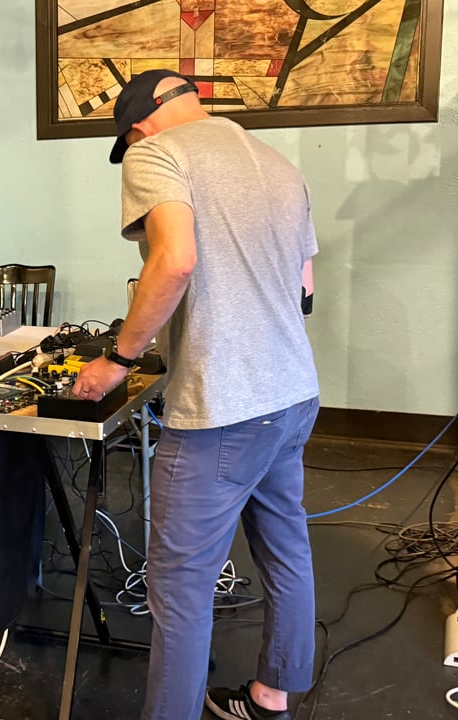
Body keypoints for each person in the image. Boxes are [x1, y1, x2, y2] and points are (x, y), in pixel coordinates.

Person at [73, 70, 319, 720]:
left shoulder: (159, 153)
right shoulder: (277, 163)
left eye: (130, 137)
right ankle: (271, 698)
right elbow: (305, 287)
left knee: (179, 588)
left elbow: (175, 260)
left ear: (141, 123)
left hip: (223, 408)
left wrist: (120, 360)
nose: (134, 146)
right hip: (292, 392)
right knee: (287, 546)